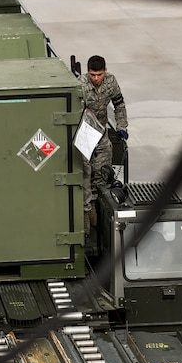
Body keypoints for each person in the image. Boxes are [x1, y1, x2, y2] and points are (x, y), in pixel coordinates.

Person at [79, 55, 129, 235]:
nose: (96, 78)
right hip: (84, 132)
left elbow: (119, 104)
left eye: (99, 74)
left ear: (105, 71)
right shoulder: (81, 85)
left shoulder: (110, 82)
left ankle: (99, 210)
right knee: (85, 172)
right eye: (93, 74)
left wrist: (121, 126)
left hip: (100, 132)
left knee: (103, 172)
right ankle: (86, 213)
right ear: (88, 73)